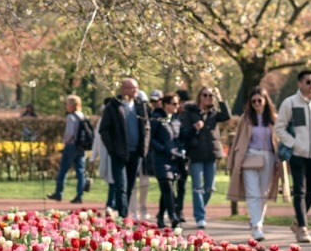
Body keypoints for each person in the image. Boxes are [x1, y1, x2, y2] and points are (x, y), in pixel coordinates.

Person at [274, 69, 311, 243]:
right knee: (299, 190)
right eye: (308, 82)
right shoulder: (290, 103)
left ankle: (298, 221)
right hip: (297, 155)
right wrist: (293, 143)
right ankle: (303, 228)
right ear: (300, 83)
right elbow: (279, 128)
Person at [227, 87, 280, 240]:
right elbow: (238, 140)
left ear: (265, 101)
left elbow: (278, 140)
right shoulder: (246, 119)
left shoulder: (273, 119)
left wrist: (278, 160)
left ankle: (256, 221)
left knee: (263, 194)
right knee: (253, 193)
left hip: (268, 157)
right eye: (253, 101)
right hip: (250, 157)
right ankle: (256, 227)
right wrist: (235, 160)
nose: (257, 104)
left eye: (259, 100)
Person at [181, 86, 231, 229]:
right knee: (197, 187)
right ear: (199, 97)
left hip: (211, 154)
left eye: (210, 96)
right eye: (205, 95)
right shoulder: (190, 113)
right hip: (196, 154)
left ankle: (199, 208)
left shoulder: (214, 113)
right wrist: (194, 128)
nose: (208, 98)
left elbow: (227, 116)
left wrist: (220, 98)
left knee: (209, 188)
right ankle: (200, 216)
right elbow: (184, 134)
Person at [98, 77, 149, 217]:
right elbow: (104, 129)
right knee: (121, 186)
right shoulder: (113, 106)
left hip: (136, 153)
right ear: (123, 89)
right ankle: (123, 217)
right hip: (119, 154)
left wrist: (144, 147)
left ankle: (124, 215)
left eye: (136, 88)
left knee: (130, 187)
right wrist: (112, 149)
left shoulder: (140, 106)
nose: (135, 90)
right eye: (132, 88)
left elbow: (146, 127)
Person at [149, 92, 187, 228]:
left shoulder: (175, 119)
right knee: (167, 185)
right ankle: (173, 216)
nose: (177, 106)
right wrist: (162, 148)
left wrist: (194, 129)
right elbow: (149, 138)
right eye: (174, 104)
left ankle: (160, 216)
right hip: (160, 159)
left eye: (178, 103)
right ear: (166, 105)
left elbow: (181, 137)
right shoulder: (157, 118)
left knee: (167, 189)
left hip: (174, 159)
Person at [48, 94, 90, 204]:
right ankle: (79, 195)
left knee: (63, 170)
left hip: (71, 146)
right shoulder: (83, 116)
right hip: (81, 147)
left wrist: (64, 142)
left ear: (72, 105)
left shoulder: (71, 117)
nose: (66, 106)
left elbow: (70, 132)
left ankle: (58, 193)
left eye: (67, 104)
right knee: (80, 172)